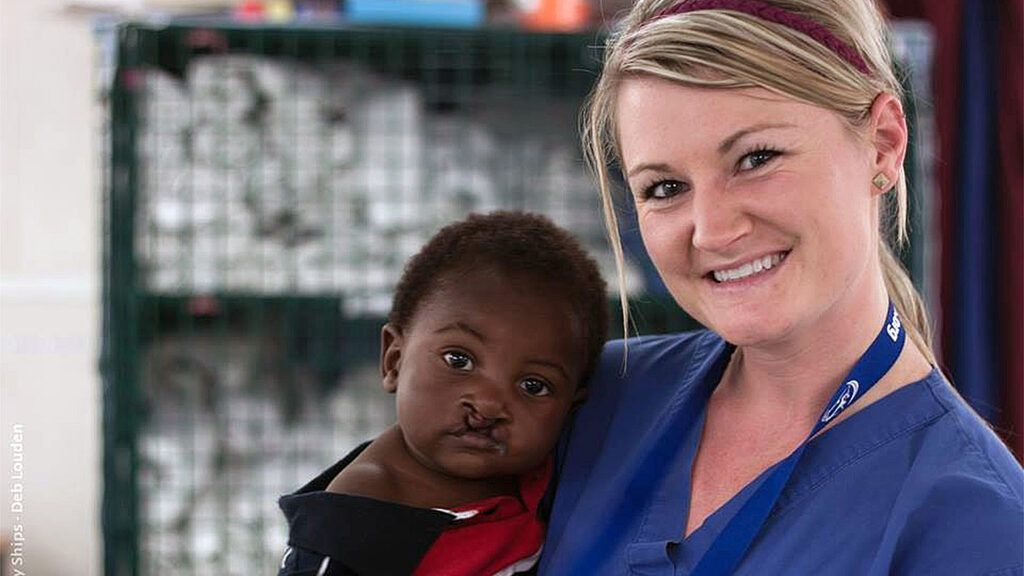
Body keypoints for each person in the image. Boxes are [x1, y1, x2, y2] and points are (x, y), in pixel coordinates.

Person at [539, 1, 1024, 574]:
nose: (714, 231)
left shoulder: (977, 525)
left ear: (885, 143)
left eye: (756, 158)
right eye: (666, 187)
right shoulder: (589, 402)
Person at [278, 211, 608, 576]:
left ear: (571, 408)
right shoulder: (356, 522)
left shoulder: (553, 476)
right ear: (394, 360)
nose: (488, 404)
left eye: (533, 386)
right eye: (459, 360)